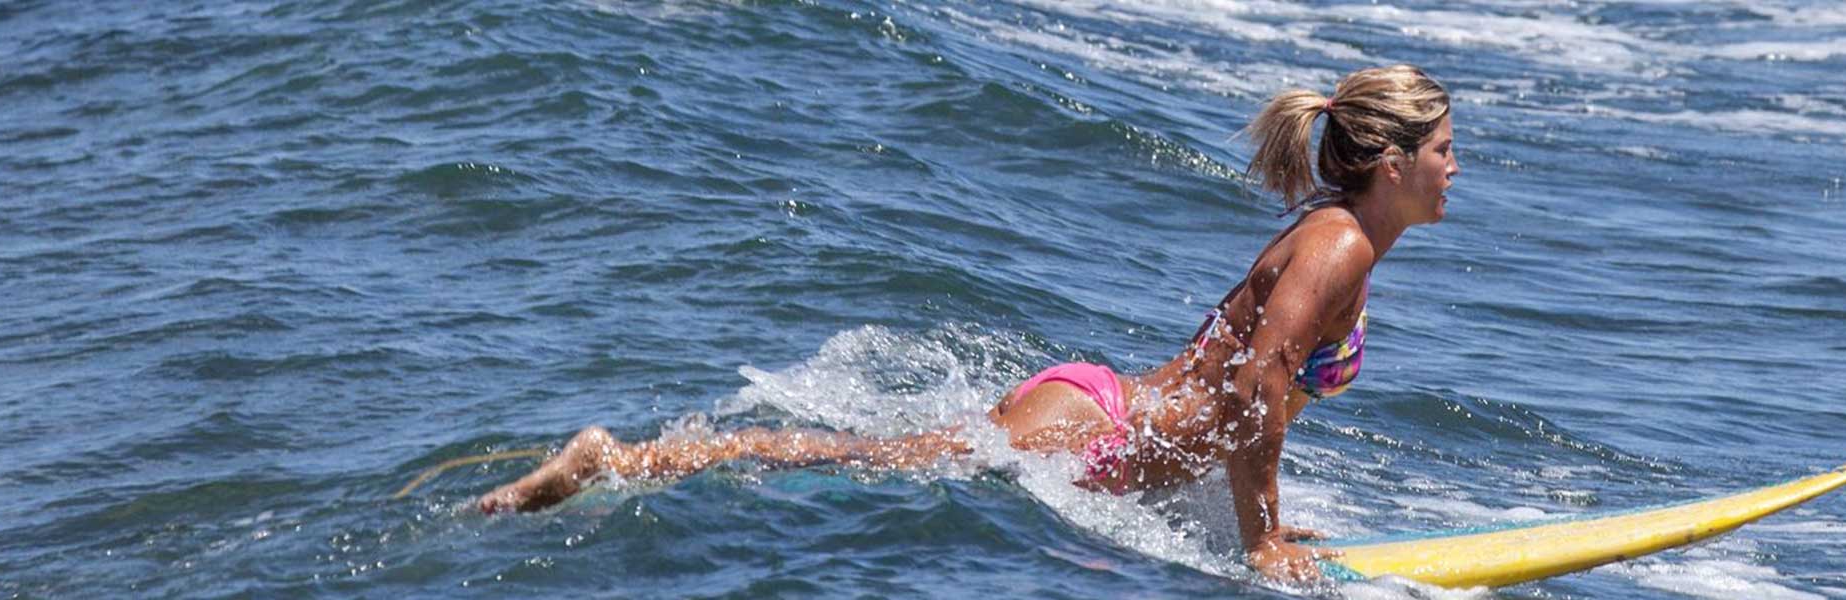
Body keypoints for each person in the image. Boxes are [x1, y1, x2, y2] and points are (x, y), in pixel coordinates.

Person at [471, 64, 1458, 582]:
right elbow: (1254, 391)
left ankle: (628, 463)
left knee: (879, 457)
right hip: (1101, 433)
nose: (1456, 169)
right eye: (1445, 150)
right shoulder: (1342, 248)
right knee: (859, 460)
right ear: (1392, 160)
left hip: (1106, 420)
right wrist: (1259, 545)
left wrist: (1271, 524)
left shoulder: (1339, 239)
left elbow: (1249, 391)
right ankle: (617, 460)